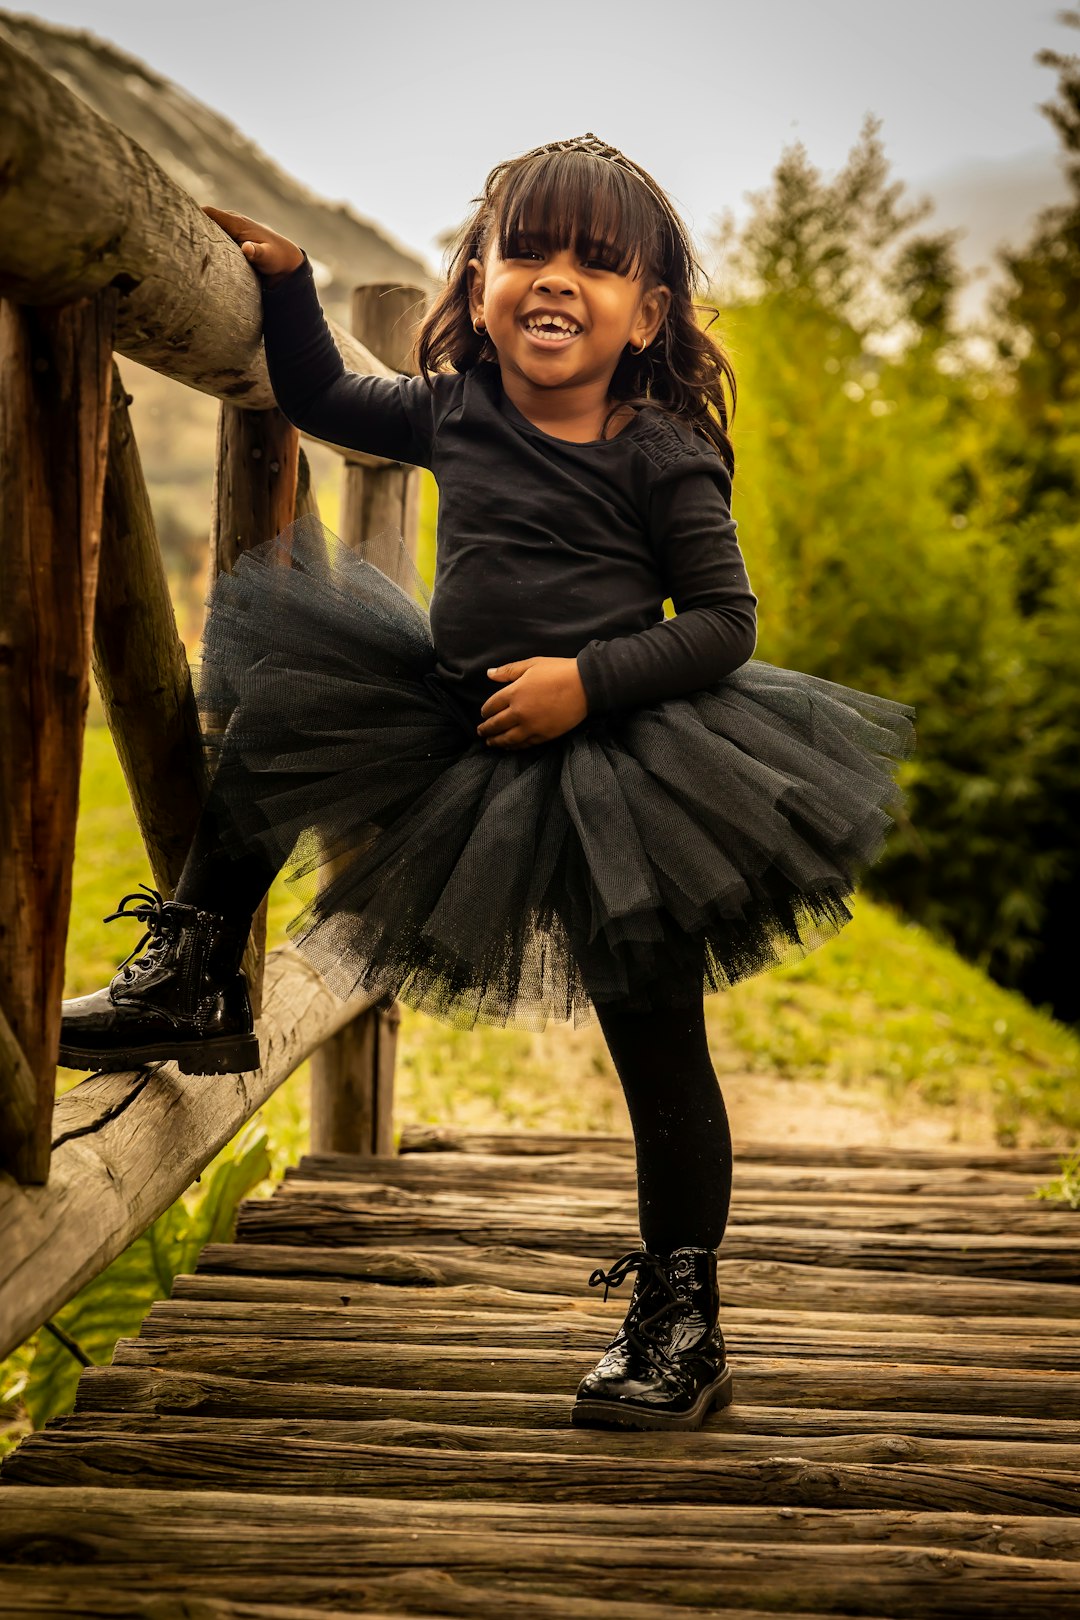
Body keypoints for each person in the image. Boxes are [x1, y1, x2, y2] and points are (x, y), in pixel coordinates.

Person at [59, 133, 915, 1433]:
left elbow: (725, 624)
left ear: (649, 315)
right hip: (453, 719)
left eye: (595, 261)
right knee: (290, 700)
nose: (553, 278)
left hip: (626, 767)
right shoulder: (457, 410)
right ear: (478, 274)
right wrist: (285, 283)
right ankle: (194, 965)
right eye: (526, 249)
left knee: (658, 1041)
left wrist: (588, 681)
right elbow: (320, 401)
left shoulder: (662, 452)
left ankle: (682, 1313)